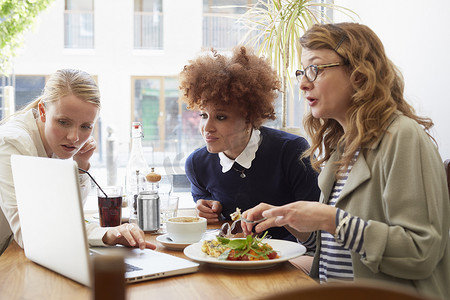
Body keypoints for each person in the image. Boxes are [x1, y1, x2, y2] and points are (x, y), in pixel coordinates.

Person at [241, 23, 450, 300]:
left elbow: (420, 252)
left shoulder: (403, 137)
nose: (303, 83)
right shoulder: (344, 145)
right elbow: (334, 246)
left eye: (315, 69)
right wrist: (288, 217)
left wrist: (330, 219)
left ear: (360, 74)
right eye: (302, 71)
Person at [0, 69, 156, 254]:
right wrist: (102, 234)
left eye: (85, 126)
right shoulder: (12, 144)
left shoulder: (57, 143)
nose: (74, 137)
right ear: (43, 111)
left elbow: (66, 217)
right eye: (64, 122)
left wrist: (81, 165)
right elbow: (30, 234)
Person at [178, 46, 321, 242]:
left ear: (248, 118)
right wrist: (208, 210)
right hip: (233, 259)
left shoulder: (292, 151)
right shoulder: (197, 164)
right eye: (204, 115)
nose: (207, 127)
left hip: (290, 258)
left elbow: (315, 233)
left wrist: (281, 217)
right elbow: (214, 226)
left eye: (221, 117)